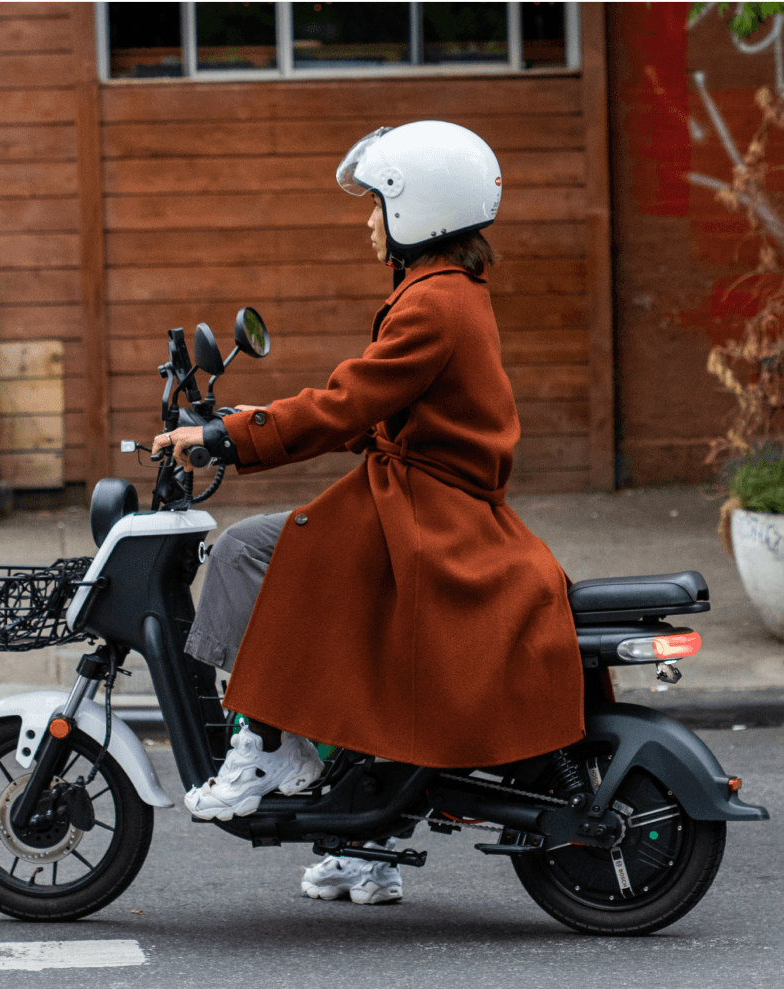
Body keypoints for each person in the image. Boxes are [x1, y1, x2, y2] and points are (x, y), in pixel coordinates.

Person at [151, 121, 585, 904]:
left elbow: (345, 402)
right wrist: (250, 418)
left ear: (418, 211)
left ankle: (266, 740)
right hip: (428, 502)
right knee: (346, 630)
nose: (366, 219)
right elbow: (368, 408)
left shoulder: (431, 305)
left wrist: (225, 436)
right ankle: (365, 840)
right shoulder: (448, 293)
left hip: (425, 513)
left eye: (377, 203)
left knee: (249, 548)